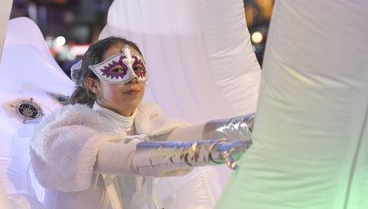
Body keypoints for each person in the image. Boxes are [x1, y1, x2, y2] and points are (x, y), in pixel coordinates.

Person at [30, 36, 254, 209]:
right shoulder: (63, 131)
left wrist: (246, 126)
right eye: (117, 71)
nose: (133, 78)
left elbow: (181, 135)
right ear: (93, 85)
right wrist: (217, 152)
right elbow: (127, 157)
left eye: (138, 69)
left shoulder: (145, 119)